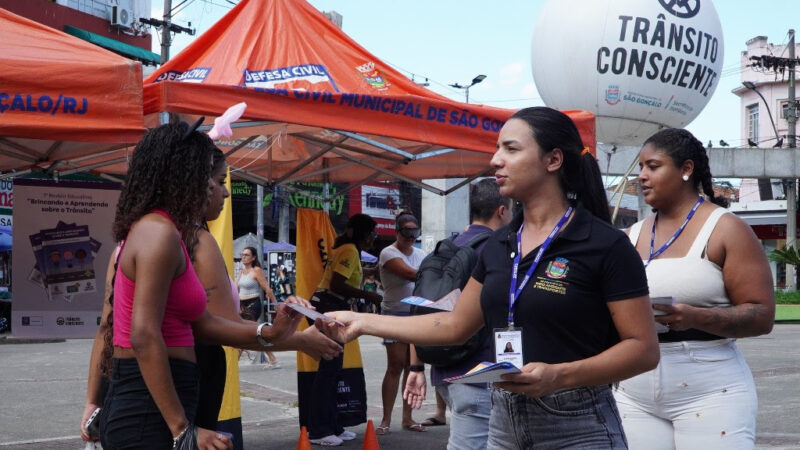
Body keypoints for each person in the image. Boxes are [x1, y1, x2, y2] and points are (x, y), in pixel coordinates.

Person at [322, 106, 660, 449]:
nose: (496, 159)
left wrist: (560, 376)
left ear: (553, 160)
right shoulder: (499, 244)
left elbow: (644, 350)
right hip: (503, 420)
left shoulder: (605, 244)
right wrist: (362, 321)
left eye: (511, 149)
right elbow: (454, 326)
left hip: (577, 425)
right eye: (498, 148)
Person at [81, 142, 341, 449]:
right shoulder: (162, 233)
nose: (224, 191)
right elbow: (143, 335)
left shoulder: (158, 233)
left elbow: (201, 322)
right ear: (187, 178)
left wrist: (272, 330)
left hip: (157, 397)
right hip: (152, 404)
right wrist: (182, 429)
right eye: (218, 181)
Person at [613, 128, 775, 449]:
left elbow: (762, 315)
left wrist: (693, 316)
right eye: (641, 167)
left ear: (686, 169)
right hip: (635, 391)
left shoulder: (726, 229)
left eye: (654, 166)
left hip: (711, 388)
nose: (642, 176)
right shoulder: (630, 235)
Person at [404, 178, 512, 450]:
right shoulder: (497, 252)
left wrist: (416, 367)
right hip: (479, 377)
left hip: (442, 374)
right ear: (502, 211)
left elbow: (421, 311)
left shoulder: (445, 248)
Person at [307, 213, 382, 446]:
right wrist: (369, 295)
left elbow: (345, 277)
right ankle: (319, 430)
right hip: (328, 305)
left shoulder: (349, 249)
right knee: (329, 371)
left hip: (327, 305)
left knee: (333, 370)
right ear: (363, 233)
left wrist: (369, 273)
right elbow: (337, 284)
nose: (374, 237)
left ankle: (333, 425)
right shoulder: (349, 249)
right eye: (372, 232)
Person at [375, 211, 427, 435]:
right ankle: (386, 419)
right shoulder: (388, 252)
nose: (410, 237)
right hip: (395, 314)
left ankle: (407, 418)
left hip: (415, 315)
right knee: (395, 365)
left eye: (414, 233)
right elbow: (410, 274)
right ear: (397, 232)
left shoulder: (422, 253)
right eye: (406, 232)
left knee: (412, 367)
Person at [237, 246, 280, 368]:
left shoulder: (256, 270)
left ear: (253, 258)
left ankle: (233, 365)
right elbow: (236, 289)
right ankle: (273, 359)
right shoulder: (241, 272)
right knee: (256, 334)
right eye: (242, 254)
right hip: (242, 306)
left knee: (243, 334)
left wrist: (276, 305)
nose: (243, 257)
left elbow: (267, 289)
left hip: (253, 304)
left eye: (246, 255)